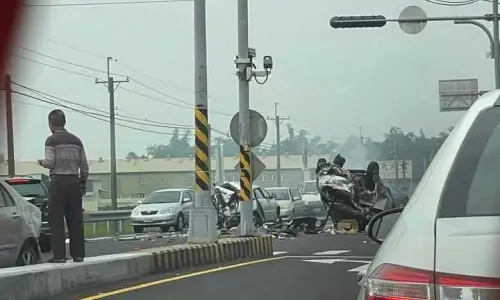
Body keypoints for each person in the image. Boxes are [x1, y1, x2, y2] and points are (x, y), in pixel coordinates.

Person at [38, 109, 89, 263]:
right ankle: (78, 254)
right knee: (75, 220)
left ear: (51, 123)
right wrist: (82, 181)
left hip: (58, 182)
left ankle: (59, 255)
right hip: (74, 181)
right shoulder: (77, 141)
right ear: (64, 122)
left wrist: (41, 162)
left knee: (56, 219)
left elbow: (50, 162)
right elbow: (84, 165)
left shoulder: (51, 140)